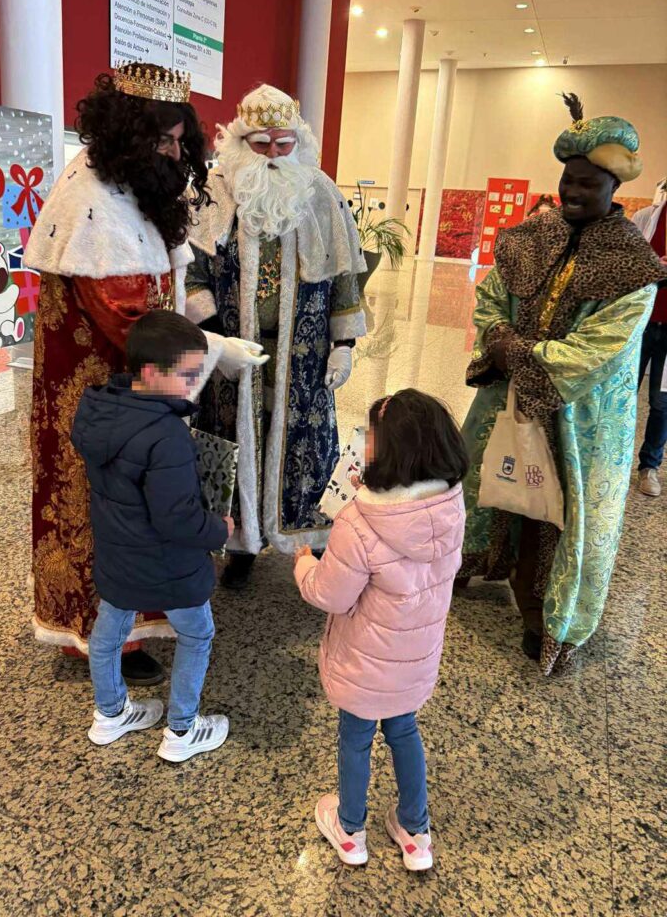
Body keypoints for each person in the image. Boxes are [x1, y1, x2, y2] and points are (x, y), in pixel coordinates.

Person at [25, 64, 265, 682]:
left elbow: (167, 285)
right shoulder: (92, 204)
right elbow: (133, 320)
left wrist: (208, 334)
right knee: (104, 512)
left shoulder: (132, 187)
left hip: (131, 395)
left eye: (182, 142)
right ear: (132, 135)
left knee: (130, 507)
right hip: (100, 402)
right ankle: (102, 639)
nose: (176, 153)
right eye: (166, 141)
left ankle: (119, 629)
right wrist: (215, 351)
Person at [458, 93, 667, 675]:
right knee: (492, 482)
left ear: (613, 190)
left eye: (587, 185)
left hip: (580, 418)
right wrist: (497, 333)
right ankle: (476, 561)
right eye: (567, 182)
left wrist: (517, 351)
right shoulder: (530, 235)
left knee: (559, 517)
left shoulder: (634, 267)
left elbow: (597, 350)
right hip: (509, 396)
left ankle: (548, 619)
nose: (573, 193)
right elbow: (493, 295)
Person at [186, 85, 367, 588]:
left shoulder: (320, 191)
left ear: (298, 141)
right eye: (261, 144)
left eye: (283, 145)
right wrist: (213, 335)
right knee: (232, 439)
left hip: (302, 352)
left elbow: (345, 274)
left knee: (302, 442)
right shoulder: (217, 189)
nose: (272, 155)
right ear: (241, 141)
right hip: (232, 353)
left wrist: (345, 343)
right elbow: (191, 270)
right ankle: (239, 540)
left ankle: (304, 540)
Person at [293, 390, 468, 870]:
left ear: (388, 450)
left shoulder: (359, 522)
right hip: (415, 660)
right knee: (405, 731)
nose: (363, 440)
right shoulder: (450, 505)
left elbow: (331, 595)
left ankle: (350, 831)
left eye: (371, 434)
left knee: (355, 739)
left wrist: (305, 564)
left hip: (364, 665)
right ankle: (416, 831)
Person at [73, 311, 231, 760]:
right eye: (185, 375)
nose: (191, 384)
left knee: (109, 630)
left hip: (118, 554)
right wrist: (219, 529)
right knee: (197, 634)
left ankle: (110, 715)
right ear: (149, 373)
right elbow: (177, 519)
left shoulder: (99, 411)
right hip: (167, 565)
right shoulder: (166, 436)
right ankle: (182, 732)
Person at [631, 187, 667, 497]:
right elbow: (624, 267)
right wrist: (654, 267)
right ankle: (608, 458)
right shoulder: (644, 218)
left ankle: (649, 466)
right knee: (622, 394)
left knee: (662, 402)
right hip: (639, 323)